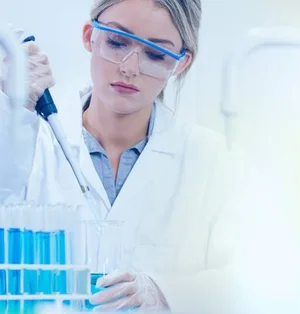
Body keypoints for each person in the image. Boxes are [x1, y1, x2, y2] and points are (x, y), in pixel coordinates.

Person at [0, 0, 246, 312]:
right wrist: (13, 106)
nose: (129, 67)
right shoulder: (29, 143)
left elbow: (247, 282)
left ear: (180, 63)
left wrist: (164, 291)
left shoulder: (214, 162)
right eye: (116, 42)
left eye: (156, 54)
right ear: (90, 36)